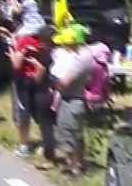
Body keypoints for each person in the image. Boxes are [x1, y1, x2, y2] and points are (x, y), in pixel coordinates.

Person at [10, 19, 57, 167]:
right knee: (31, 114)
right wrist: (25, 52)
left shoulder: (50, 46)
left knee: (35, 114)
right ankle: (30, 145)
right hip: (31, 82)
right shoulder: (28, 41)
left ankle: (38, 144)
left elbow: (17, 65)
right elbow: (17, 65)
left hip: (35, 82)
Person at [50, 26, 95, 175]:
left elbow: (65, 82)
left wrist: (52, 78)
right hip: (70, 98)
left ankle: (74, 167)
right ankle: (78, 163)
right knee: (74, 134)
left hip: (73, 100)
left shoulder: (82, 58)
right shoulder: (77, 54)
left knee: (69, 134)